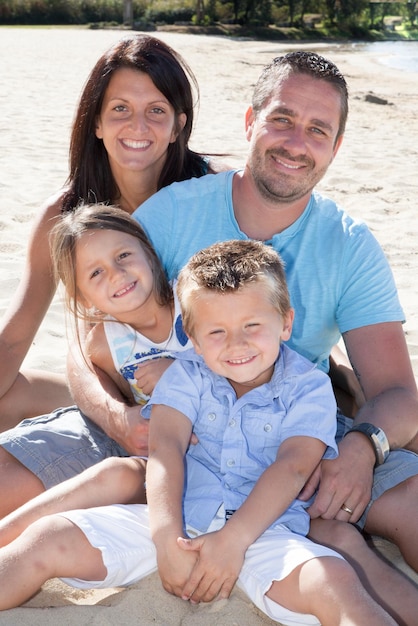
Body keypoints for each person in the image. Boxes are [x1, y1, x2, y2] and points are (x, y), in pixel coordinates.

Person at [0, 49, 417, 581]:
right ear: (251, 122)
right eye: (282, 119)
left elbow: (399, 394)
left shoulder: (350, 245)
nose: (295, 142)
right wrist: (120, 421)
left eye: (318, 130)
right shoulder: (171, 212)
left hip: (290, 441)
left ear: (335, 147)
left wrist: (364, 445)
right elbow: (90, 346)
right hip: (165, 434)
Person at [0, 241, 400, 624]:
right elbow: (166, 451)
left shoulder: (309, 387)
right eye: (216, 332)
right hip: (179, 518)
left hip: (264, 533)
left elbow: (293, 468)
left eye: (252, 325)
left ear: (285, 323)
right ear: (191, 339)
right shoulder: (187, 374)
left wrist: (233, 541)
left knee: (337, 583)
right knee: (49, 536)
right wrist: (164, 537)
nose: (236, 344)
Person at [0, 32, 224, 429]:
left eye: (156, 110)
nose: (137, 126)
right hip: (119, 390)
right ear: (97, 123)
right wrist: (118, 418)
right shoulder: (64, 215)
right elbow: (16, 339)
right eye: (120, 108)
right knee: (8, 397)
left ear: (178, 125)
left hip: (213, 393)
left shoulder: (217, 191)